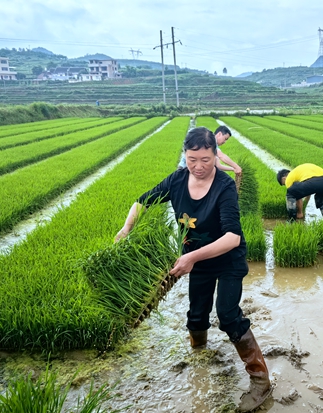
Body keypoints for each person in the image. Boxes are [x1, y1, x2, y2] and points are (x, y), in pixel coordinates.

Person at [115, 127, 271, 411]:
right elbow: (142, 201)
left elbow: (232, 237)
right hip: (197, 260)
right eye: (192, 159)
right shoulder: (176, 180)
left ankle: (260, 380)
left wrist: (189, 258)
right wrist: (127, 228)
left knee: (227, 314)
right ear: (185, 156)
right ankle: (200, 356)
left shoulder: (223, 186)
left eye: (206, 160)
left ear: (216, 156)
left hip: (227, 260)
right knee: (196, 314)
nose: (198, 167)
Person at [178, 125, 242, 175]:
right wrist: (236, 166)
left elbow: (218, 166)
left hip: (193, 171)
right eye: (225, 138)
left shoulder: (213, 147)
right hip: (185, 169)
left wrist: (233, 169)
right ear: (219, 134)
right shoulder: (210, 142)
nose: (225, 142)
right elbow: (221, 156)